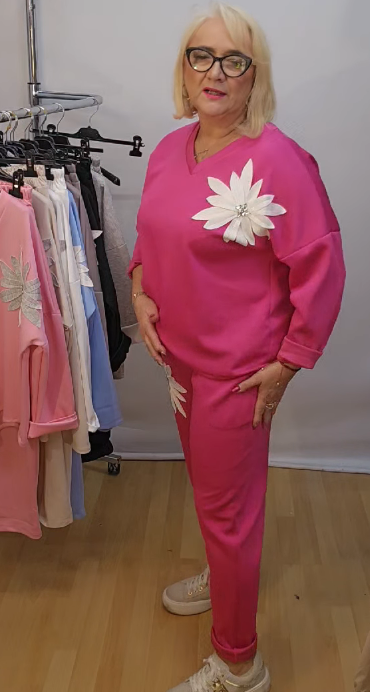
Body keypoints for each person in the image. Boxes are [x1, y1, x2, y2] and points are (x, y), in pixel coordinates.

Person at [129, 4, 345, 691]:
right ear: (184, 68)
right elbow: (149, 238)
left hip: (238, 374)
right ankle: (223, 578)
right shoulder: (170, 150)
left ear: (255, 76)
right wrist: (139, 289)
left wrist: (288, 362)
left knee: (229, 513)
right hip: (182, 367)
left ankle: (239, 662)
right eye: (202, 55)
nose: (214, 72)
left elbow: (321, 263)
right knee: (210, 494)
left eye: (233, 60)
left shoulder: (279, 161)